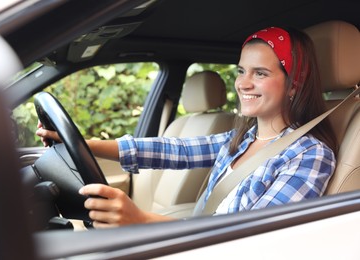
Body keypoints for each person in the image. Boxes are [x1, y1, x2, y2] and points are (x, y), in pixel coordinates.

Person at [36, 26, 337, 228]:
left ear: (294, 85)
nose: (243, 83)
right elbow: (174, 151)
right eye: (242, 70)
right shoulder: (242, 138)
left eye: (260, 73)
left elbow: (251, 238)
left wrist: (141, 220)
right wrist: (83, 145)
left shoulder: (308, 155)